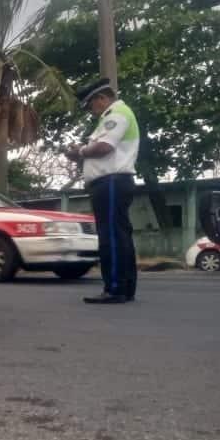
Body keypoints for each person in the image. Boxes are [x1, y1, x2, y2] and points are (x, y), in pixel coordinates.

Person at [66, 78, 139, 304]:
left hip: (111, 183)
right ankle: (125, 288)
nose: (91, 110)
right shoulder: (116, 114)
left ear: (102, 98)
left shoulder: (116, 114)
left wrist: (81, 151)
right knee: (120, 235)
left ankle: (115, 288)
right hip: (114, 183)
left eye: (91, 104)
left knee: (111, 238)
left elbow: (105, 147)